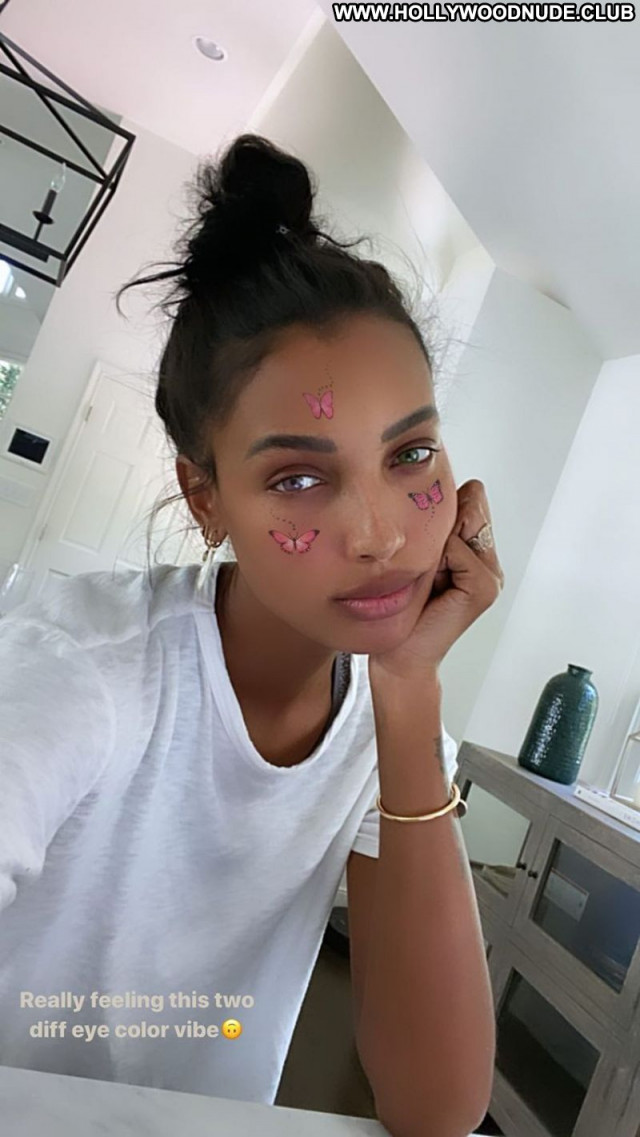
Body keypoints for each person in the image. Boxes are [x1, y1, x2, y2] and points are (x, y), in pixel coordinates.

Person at [0, 134, 503, 1136]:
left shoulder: (390, 731)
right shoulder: (80, 671)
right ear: (206, 497)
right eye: (299, 477)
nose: (379, 534)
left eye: (411, 454)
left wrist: (409, 686)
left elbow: (437, 1106)